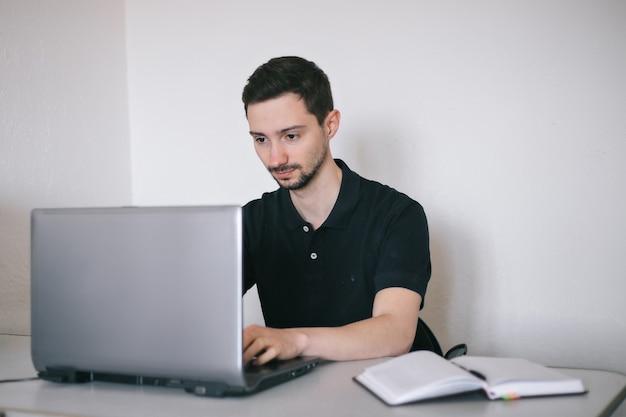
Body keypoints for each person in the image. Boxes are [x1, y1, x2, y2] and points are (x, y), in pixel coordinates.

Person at [241, 56, 431, 366]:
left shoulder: (397, 215)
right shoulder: (251, 221)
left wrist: (295, 340)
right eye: (261, 139)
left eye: (291, 136)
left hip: (384, 398)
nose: (275, 158)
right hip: (293, 399)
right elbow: (197, 309)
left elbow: (396, 331)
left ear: (330, 125)